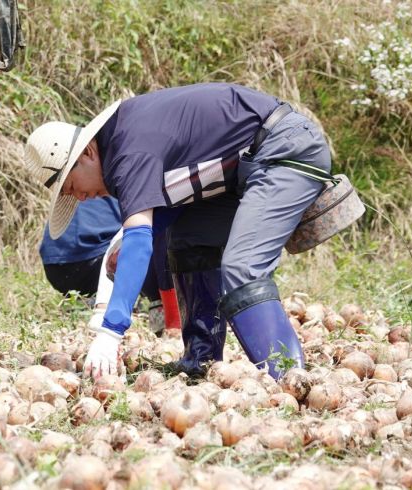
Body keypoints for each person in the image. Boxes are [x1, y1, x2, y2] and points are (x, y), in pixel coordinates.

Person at [23, 82, 333, 380]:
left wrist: (110, 332)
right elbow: (175, 197)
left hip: (283, 149)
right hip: (237, 170)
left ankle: (288, 376)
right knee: (187, 240)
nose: (80, 198)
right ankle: (201, 361)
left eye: (72, 187)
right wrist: (125, 245)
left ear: (88, 154)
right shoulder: (123, 142)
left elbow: (139, 241)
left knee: (243, 266)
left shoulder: (127, 152)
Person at [39, 197, 181, 335]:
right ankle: (162, 310)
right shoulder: (136, 188)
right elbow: (135, 237)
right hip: (94, 260)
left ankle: (89, 300)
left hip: (53, 267)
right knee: (148, 238)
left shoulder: (89, 187)